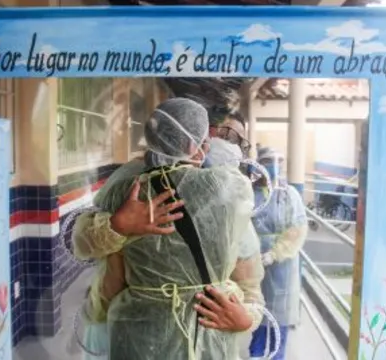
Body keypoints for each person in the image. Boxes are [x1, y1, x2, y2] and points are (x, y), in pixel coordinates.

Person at [78, 98, 265, 360]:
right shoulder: (231, 194)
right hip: (207, 338)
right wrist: (248, 317)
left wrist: (117, 227)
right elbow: (248, 276)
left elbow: (108, 273)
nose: (222, 146)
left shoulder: (128, 190)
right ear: (196, 145)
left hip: (139, 338)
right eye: (216, 137)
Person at [248, 147, 308, 360]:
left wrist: (274, 254)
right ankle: (255, 355)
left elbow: (298, 229)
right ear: (259, 164)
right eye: (267, 161)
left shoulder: (289, 195)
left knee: (278, 319)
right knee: (257, 314)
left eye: (277, 161)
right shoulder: (249, 193)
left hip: (282, 269)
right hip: (252, 265)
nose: (273, 166)